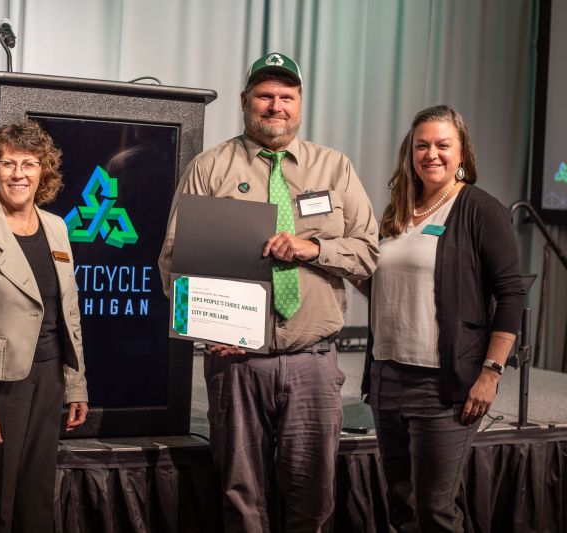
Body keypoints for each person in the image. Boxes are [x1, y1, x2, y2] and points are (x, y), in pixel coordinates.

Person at [159, 52, 379, 532]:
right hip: (236, 363)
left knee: (312, 497)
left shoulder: (334, 168)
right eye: (264, 95)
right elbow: (176, 261)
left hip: (312, 362)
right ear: (244, 101)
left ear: (300, 103)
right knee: (242, 497)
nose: (275, 105)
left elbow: (367, 252)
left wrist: (311, 248)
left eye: (286, 96)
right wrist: (204, 325)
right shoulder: (211, 167)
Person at [360, 105, 524, 532]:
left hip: (443, 385)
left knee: (435, 511)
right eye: (422, 145)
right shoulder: (398, 210)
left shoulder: (479, 209)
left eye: (442, 145)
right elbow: (383, 286)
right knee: (402, 506)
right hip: (386, 377)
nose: (431, 154)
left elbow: (511, 294)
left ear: (462, 153)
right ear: (409, 153)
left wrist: (491, 372)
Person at [0, 120, 89, 532]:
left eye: (29, 163)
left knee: (37, 498)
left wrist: (76, 384)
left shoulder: (58, 227)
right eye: (8, 163)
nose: (18, 173)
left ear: (44, 171)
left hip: (49, 377)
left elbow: (69, 315)